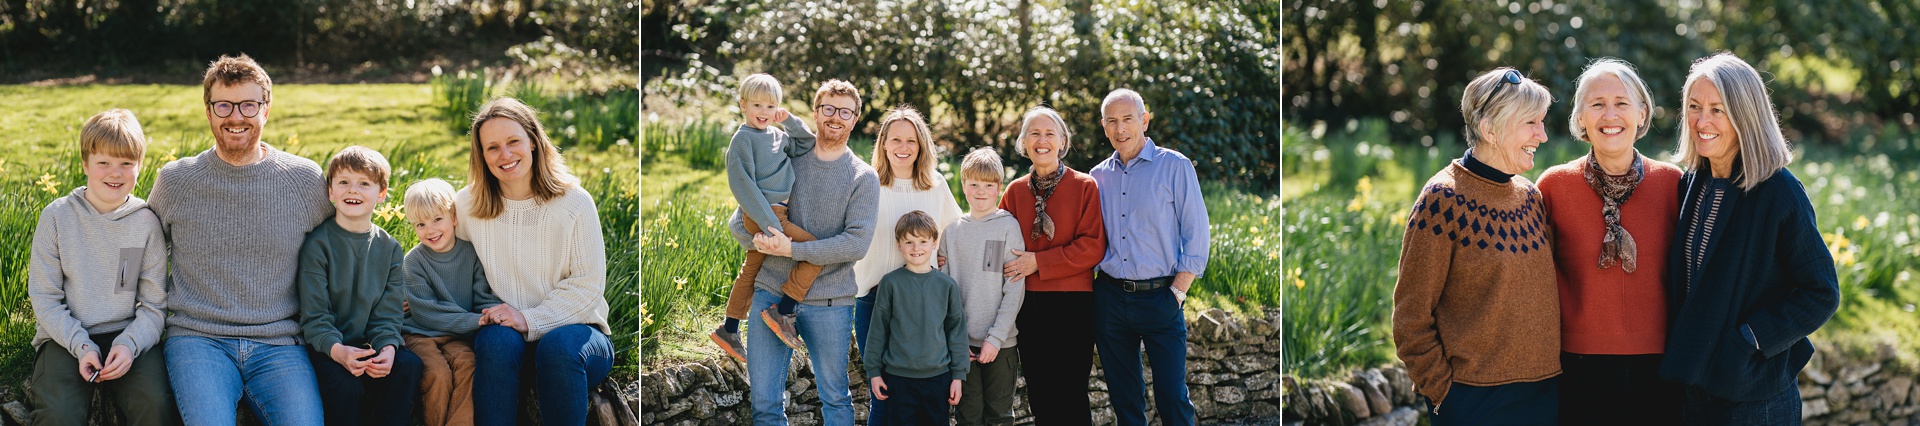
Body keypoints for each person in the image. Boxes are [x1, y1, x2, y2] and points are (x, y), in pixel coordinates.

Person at [148, 53, 332, 425]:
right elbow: (138, 252)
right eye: (224, 105)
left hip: (280, 343)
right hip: (198, 339)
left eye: (248, 105)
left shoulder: (303, 180)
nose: (236, 117)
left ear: (266, 109)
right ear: (208, 111)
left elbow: (341, 251)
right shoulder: (176, 181)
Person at [1659, 52, 1839, 425]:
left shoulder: (1779, 192)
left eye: (1717, 110)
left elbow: (1821, 292)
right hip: (1693, 387)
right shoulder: (1693, 182)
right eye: (1694, 107)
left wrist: (1749, 340)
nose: (1701, 121)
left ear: (1746, 114)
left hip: (1755, 395)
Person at [1392, 67, 1560, 424]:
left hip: (1545, 395)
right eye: (1531, 123)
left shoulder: (1530, 196)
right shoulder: (1442, 201)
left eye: (1542, 123)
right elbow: (1410, 318)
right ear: (1490, 130)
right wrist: (1444, 395)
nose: (1542, 135)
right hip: (1475, 402)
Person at [1537, 58, 1686, 425]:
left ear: (1641, 114)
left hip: (1661, 365)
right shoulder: (1553, 186)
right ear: (1580, 118)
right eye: (1597, 104)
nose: (1610, 114)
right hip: (1577, 366)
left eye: (1622, 103)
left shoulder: (1674, 184)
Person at [726, 79, 879, 425]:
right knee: (765, 406)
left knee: (836, 401)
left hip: (830, 302)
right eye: (828, 109)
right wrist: (761, 240)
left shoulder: (862, 177)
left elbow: (855, 244)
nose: (835, 117)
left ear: (854, 119)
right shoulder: (787, 158)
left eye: (844, 111)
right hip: (770, 293)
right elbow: (740, 221)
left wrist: (790, 248)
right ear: (815, 113)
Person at [455, 97, 613, 426]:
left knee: (556, 347)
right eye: (492, 147)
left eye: (513, 142)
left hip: (577, 337)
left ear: (533, 141)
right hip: (508, 342)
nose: (505, 155)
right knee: (496, 340)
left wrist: (528, 318)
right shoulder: (468, 205)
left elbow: (587, 288)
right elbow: (445, 262)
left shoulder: (574, 202)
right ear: (481, 155)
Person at [27, 109, 178, 425]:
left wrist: (130, 344)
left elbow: (153, 305)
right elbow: (45, 299)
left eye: (126, 163)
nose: (115, 173)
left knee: (155, 406)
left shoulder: (146, 224)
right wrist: (82, 346)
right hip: (64, 338)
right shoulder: (56, 218)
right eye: (104, 163)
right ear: (85, 164)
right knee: (59, 415)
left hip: (127, 334)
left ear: (140, 166)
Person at [1089, 88, 1210, 426]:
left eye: (1128, 119)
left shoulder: (1175, 166)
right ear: (1104, 126)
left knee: (1172, 398)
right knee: (1125, 400)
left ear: (1144, 120)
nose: (1120, 128)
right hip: (1111, 299)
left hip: (1162, 297)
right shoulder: (1096, 177)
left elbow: (1197, 234)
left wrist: (1179, 292)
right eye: (1112, 121)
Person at [849, 104, 962, 424]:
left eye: (911, 141)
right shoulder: (868, 183)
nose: (903, 147)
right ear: (883, 143)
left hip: (923, 302)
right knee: (883, 396)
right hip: (873, 299)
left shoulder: (934, 185)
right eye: (895, 140)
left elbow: (956, 233)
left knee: (924, 400)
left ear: (921, 145)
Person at [298, 146, 424, 426]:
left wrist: (388, 348)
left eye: (364, 184)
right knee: (347, 385)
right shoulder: (318, 245)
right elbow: (315, 316)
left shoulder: (389, 248)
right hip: (328, 347)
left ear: (381, 194)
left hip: (368, 346)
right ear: (330, 191)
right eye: (343, 182)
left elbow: (388, 313)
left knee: (407, 366)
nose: (352, 190)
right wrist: (338, 351)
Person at [997, 106, 1106, 426]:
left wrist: (1039, 262)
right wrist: (952, 254)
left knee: (1070, 393)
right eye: (1034, 133)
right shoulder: (1014, 191)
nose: (1041, 140)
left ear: (1062, 142)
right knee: (1040, 393)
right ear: (1023, 143)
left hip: (1073, 303)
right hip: (1027, 305)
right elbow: (993, 235)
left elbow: (1093, 246)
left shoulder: (1085, 186)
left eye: (1049, 134)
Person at [715, 73, 821, 360]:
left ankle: (730, 328)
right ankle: (783, 311)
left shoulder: (776, 135)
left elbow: (806, 143)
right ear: (743, 105)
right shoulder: (742, 140)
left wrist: (788, 120)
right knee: (815, 250)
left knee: (750, 269)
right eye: (757, 105)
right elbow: (743, 186)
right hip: (764, 213)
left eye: (770, 107)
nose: (764, 113)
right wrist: (771, 226)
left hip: (775, 213)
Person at [400, 177, 503, 426]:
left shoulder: (471, 252)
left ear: (454, 218)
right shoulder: (414, 261)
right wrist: (474, 319)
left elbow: (483, 297)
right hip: (419, 333)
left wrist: (486, 313)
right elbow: (425, 312)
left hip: (457, 335)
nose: (431, 230)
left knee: (469, 366)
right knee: (437, 374)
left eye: (438, 219)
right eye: (421, 224)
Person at [941, 147, 1027, 426]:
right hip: (962, 344)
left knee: (999, 416)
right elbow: (945, 293)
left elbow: (1014, 289)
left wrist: (995, 338)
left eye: (988, 185)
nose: (980, 191)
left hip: (1000, 345)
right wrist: (956, 339)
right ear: (963, 185)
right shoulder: (952, 232)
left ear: (998, 188)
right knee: (968, 416)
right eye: (973, 184)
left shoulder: (1008, 227)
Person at [865, 211, 969, 425]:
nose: (916, 248)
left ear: (934, 243)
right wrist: (874, 372)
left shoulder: (946, 285)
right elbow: (878, 330)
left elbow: (956, 331)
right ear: (899, 245)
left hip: (938, 377)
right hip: (899, 378)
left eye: (923, 241)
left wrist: (958, 376)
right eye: (909, 242)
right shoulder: (890, 283)